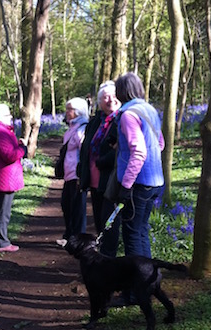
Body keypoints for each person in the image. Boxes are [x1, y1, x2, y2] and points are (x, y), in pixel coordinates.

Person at [114, 72, 164, 258]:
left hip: (138, 184)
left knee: (132, 234)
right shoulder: (150, 110)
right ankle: (147, 282)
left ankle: (136, 284)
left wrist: (126, 185)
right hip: (155, 181)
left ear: (121, 92)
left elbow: (139, 151)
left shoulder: (128, 115)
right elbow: (160, 144)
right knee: (141, 231)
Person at [79, 81, 121, 256]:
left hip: (111, 179)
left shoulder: (122, 119)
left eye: (113, 96)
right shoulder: (96, 121)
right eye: (105, 97)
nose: (110, 100)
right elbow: (85, 148)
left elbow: (122, 150)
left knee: (109, 222)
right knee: (98, 220)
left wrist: (104, 160)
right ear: (99, 101)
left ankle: (108, 259)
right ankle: (102, 257)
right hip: (94, 180)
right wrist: (81, 175)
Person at [0, 104, 28, 252]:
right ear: (1, 117)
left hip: (3, 177)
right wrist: (23, 149)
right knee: (3, 211)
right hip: (5, 179)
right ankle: (2, 243)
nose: (11, 119)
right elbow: (10, 155)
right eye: (8, 116)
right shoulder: (0, 132)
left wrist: (17, 145)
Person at [60, 97, 89, 239]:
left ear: (78, 112)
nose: (67, 112)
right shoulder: (72, 128)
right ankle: (70, 235)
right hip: (68, 174)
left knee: (77, 208)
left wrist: (81, 174)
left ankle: (78, 239)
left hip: (76, 174)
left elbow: (84, 153)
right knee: (66, 205)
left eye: (70, 109)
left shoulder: (82, 129)